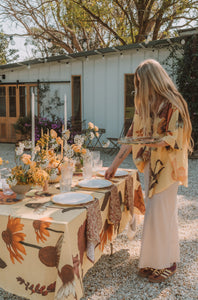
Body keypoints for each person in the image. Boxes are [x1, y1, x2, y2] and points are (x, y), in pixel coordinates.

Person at [105, 59, 193, 283]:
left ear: (151, 80)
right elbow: (133, 137)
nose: (138, 88)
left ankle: (165, 263)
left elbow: (173, 139)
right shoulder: (144, 106)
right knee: (158, 214)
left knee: (161, 214)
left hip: (169, 168)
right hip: (152, 168)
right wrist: (114, 164)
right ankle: (156, 261)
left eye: (140, 83)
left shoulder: (174, 104)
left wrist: (150, 141)